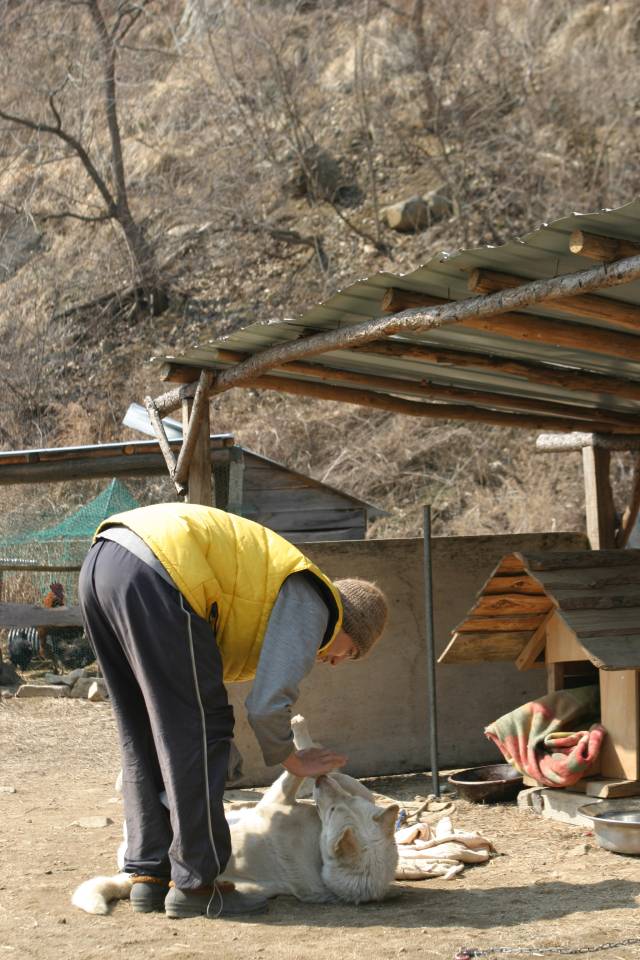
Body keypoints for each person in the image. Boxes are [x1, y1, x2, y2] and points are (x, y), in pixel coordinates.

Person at [78, 502, 388, 920]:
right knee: (200, 730)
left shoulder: (275, 591)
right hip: (160, 571)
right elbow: (266, 705)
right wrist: (291, 758)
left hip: (104, 564)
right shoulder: (316, 604)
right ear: (349, 627)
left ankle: (150, 875)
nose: (335, 662)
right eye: (350, 653)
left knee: (142, 729)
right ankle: (196, 883)